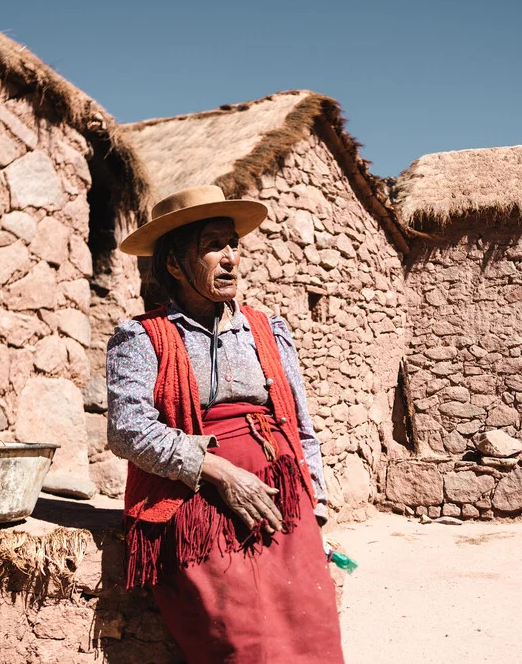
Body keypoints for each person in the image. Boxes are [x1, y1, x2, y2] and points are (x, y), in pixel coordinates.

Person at [107, 185, 344, 663]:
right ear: (174, 264)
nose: (231, 257)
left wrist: (313, 504)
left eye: (233, 244)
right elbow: (128, 428)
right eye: (213, 246)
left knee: (313, 635)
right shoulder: (143, 337)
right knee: (242, 643)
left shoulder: (266, 329)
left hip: (284, 503)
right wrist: (218, 471)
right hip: (199, 510)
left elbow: (299, 422)